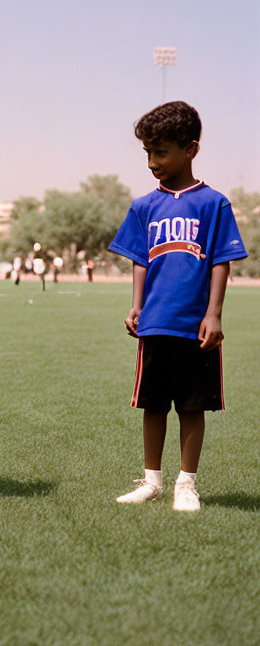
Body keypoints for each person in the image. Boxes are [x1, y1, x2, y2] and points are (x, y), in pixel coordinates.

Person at [109, 101, 247, 512]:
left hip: (194, 326)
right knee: (153, 404)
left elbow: (221, 260)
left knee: (191, 407)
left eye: (162, 152)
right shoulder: (144, 206)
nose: (152, 162)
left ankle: (185, 484)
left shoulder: (213, 203)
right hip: (155, 323)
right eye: (148, 153)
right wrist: (136, 306)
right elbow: (140, 260)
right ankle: (151, 480)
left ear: (191, 149)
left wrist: (214, 313)